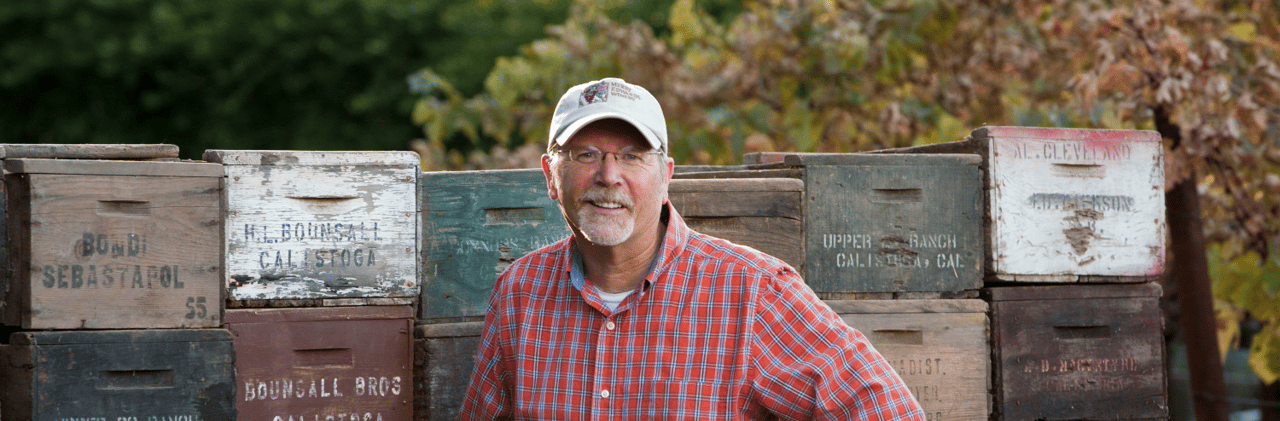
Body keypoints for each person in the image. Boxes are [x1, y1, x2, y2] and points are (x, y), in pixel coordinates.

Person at [460, 77, 925, 420]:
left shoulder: (752, 293)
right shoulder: (520, 293)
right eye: (585, 154)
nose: (608, 175)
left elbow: (886, 410)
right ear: (550, 175)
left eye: (631, 156)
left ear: (666, 177)